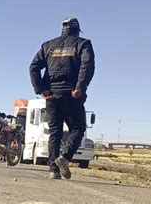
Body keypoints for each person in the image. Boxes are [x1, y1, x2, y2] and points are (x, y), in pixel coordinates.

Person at [29, 17, 95, 179]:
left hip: (52, 95)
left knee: (55, 133)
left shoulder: (48, 45)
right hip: (72, 95)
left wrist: (42, 90)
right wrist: (80, 87)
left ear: (62, 30)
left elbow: (33, 67)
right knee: (78, 128)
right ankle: (64, 158)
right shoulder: (83, 43)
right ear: (78, 30)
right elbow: (87, 65)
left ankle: (53, 170)